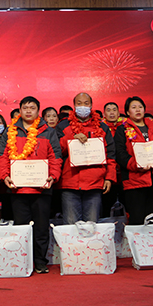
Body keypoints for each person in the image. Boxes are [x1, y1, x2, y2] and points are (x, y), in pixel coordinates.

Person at [0, 96, 62, 274]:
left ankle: (40, 261)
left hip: (42, 188)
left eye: (32, 108)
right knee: (21, 228)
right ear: (19, 110)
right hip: (17, 189)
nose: (28, 111)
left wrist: (53, 176)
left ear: (38, 111)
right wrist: (5, 176)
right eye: (25, 108)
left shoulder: (48, 131)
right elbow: (3, 157)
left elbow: (55, 157)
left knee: (41, 228)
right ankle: (21, 260)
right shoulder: (10, 131)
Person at [56, 93, 116, 224]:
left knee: (92, 225)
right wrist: (71, 139)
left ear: (91, 105)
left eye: (86, 103)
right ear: (74, 105)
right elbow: (57, 152)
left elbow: (110, 154)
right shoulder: (63, 126)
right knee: (70, 226)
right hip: (70, 183)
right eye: (79, 103)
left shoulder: (102, 127)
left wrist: (109, 178)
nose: (82, 106)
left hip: (95, 183)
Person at [114, 96, 153, 225]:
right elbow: (120, 153)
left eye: (140, 107)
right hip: (135, 182)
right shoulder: (122, 129)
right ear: (127, 112)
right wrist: (136, 165)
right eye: (134, 107)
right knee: (137, 221)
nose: (138, 110)